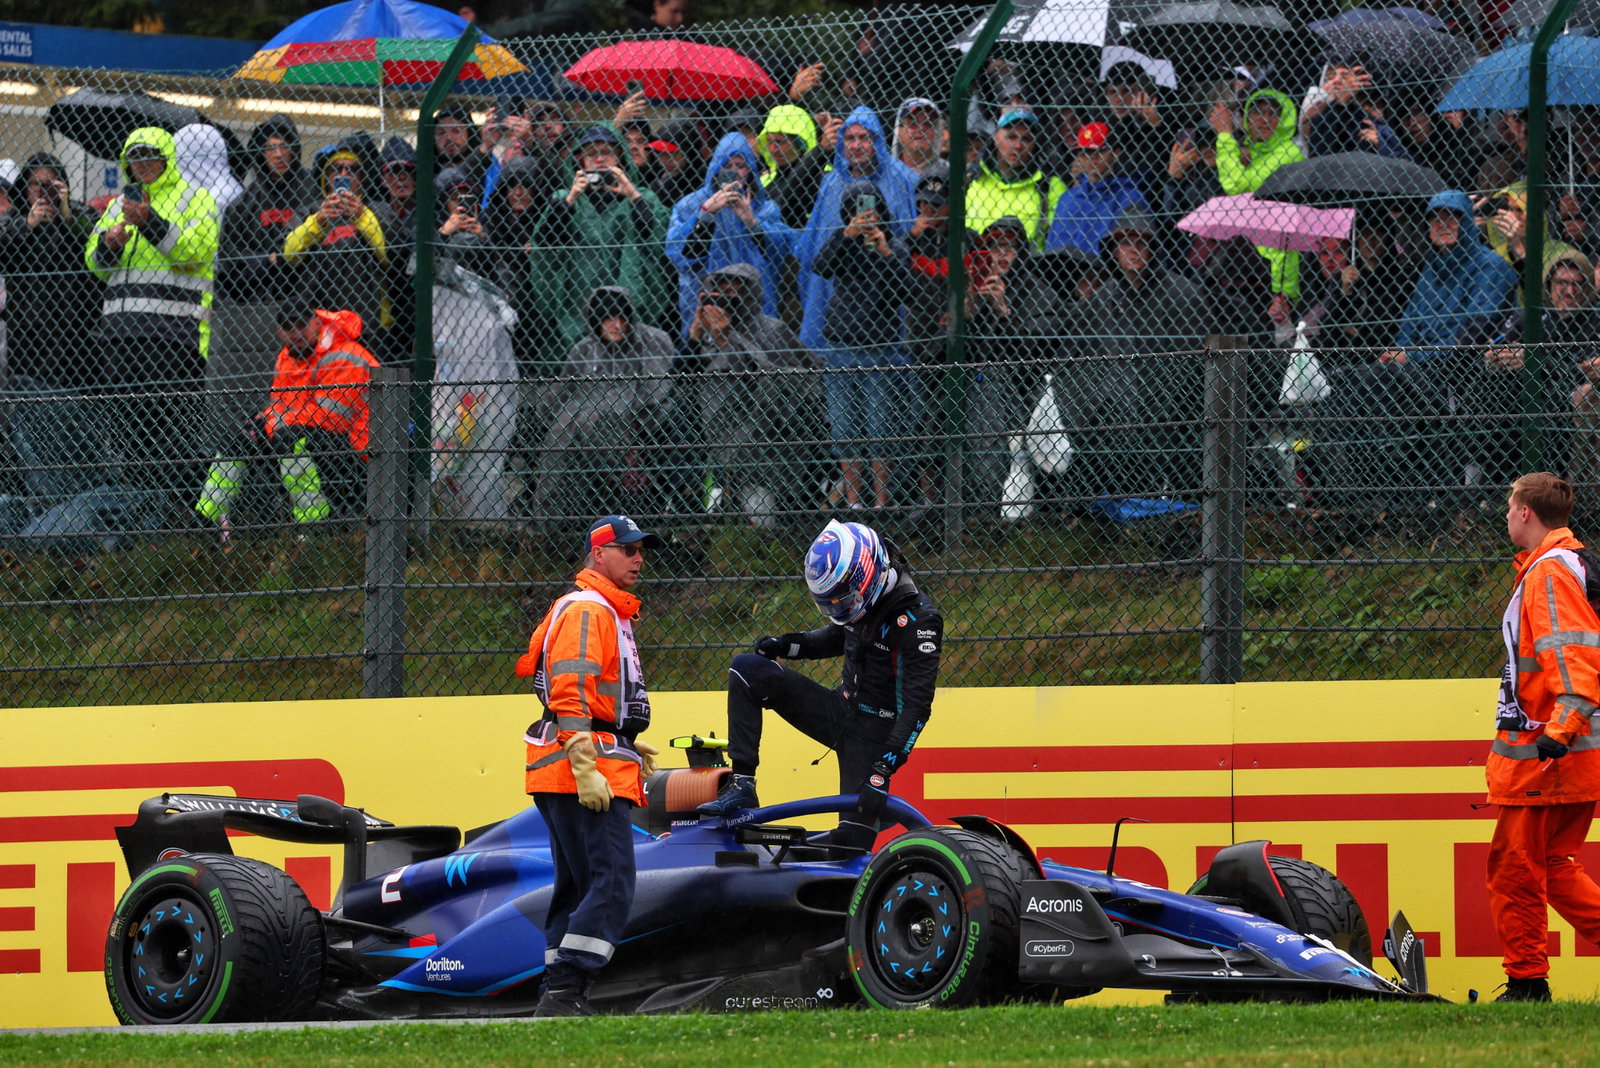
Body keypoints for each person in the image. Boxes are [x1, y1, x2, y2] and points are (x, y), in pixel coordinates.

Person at [698, 519, 942, 852]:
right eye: (832, 603)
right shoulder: (859, 602)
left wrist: (882, 770)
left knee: (850, 849)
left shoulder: (919, 621)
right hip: (838, 711)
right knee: (747, 668)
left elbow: (917, 708)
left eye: (843, 600)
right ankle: (742, 783)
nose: (839, 609)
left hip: (873, 739)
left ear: (869, 574)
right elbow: (836, 637)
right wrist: (786, 645)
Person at [515, 514, 662, 1016]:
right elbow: (570, 686)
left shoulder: (602, 609)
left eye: (641, 549)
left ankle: (557, 998)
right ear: (598, 555)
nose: (638, 557)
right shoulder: (589, 609)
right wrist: (586, 759)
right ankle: (564, 990)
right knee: (613, 882)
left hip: (577, 760)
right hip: (580, 766)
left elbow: (589, 693)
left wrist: (624, 738)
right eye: (628, 549)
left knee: (577, 886)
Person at [1487, 472, 1600, 1002]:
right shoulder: (1563, 565)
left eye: (1509, 507)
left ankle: (1527, 983)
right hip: (1566, 748)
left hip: (1549, 750)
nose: (1506, 516)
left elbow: (1570, 649)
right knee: (1553, 866)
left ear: (1526, 512)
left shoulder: (1549, 573)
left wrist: (1564, 725)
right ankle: (1527, 982)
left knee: (1516, 869)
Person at [85, 127, 221, 504]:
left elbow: (195, 253)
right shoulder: (116, 206)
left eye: (150, 154)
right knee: (127, 437)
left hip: (174, 339)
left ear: (167, 158)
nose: (142, 163)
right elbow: (94, 264)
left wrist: (150, 222)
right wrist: (108, 244)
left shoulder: (196, 198)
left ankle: (177, 522)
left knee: (173, 438)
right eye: (135, 156)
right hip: (119, 338)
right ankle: (141, 521)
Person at [194, 304, 379, 533]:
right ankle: (208, 520)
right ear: (278, 331)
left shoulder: (345, 356)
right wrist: (259, 423)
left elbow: (334, 419)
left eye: (302, 325)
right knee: (238, 440)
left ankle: (314, 524)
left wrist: (270, 425)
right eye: (288, 327)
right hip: (313, 437)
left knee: (291, 440)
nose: (296, 333)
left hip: (363, 450)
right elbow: (280, 405)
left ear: (317, 324)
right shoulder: (288, 357)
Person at [810, 178, 917, 510]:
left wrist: (884, 251)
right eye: (858, 210)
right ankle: (854, 502)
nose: (866, 215)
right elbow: (820, 266)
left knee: (879, 425)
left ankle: (881, 503)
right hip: (842, 346)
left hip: (880, 348)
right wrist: (847, 234)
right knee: (845, 428)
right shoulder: (842, 242)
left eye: (872, 209)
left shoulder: (894, 246)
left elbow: (908, 293)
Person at [530, 286, 675, 524]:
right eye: (609, 318)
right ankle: (555, 521)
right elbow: (559, 396)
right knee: (566, 426)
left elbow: (654, 396)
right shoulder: (584, 350)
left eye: (622, 318)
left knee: (575, 423)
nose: (617, 325)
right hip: (583, 434)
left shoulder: (650, 341)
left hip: (634, 430)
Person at [529, 124, 670, 365]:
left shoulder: (642, 196)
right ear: (580, 161)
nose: (600, 159)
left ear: (621, 158)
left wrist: (632, 194)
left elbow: (657, 241)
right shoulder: (564, 198)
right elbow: (545, 244)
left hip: (631, 303)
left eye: (607, 152)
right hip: (577, 301)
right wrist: (571, 198)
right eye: (592, 154)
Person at [665, 131, 796, 337]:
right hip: (704, 299)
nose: (734, 172)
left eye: (740, 166)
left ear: (750, 170)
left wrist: (751, 222)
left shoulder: (765, 208)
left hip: (754, 302)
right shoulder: (690, 205)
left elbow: (780, 253)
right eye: (727, 166)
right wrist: (706, 213)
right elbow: (679, 254)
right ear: (716, 168)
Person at [0, 152, 99, 388]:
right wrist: (28, 224)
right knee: (25, 394)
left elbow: (96, 242)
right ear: (25, 186)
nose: (42, 190)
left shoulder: (76, 212)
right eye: (36, 183)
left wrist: (67, 217)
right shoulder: (15, 217)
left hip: (74, 323)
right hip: (26, 326)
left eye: (50, 183)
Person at [283, 140, 389, 347]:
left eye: (352, 169)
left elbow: (389, 254)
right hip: (318, 325)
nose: (343, 174)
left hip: (370, 326)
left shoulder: (377, 210)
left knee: (378, 379)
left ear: (362, 177)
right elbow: (289, 253)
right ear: (326, 176)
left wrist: (361, 216)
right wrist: (319, 220)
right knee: (327, 378)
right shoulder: (310, 211)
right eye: (335, 169)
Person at [219, 114, 316, 307]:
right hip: (257, 301)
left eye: (284, 146)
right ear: (261, 153)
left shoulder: (312, 191)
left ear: (294, 150)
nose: (278, 154)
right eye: (271, 148)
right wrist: (266, 261)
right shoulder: (245, 203)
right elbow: (229, 258)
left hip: (307, 297)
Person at [965, 107, 1067, 247]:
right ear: (996, 137)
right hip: (973, 263)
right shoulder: (970, 178)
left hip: (1027, 266)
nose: (1018, 146)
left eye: (1026, 139)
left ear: (1035, 145)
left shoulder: (1051, 186)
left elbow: (1058, 241)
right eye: (1011, 137)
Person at [1043, 122, 1147, 256]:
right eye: (1086, 152)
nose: (1093, 158)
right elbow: (1053, 248)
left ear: (1116, 153)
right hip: (1067, 272)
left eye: (1100, 150)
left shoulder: (1131, 197)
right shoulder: (1067, 198)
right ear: (1079, 157)